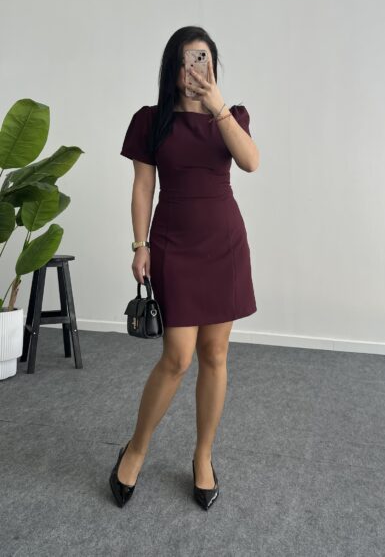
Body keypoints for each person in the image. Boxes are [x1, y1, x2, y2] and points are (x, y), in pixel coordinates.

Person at [110, 26, 259, 510]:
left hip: (224, 245)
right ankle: (136, 448)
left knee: (215, 354)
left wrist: (217, 107)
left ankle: (203, 455)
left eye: (203, 60)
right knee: (176, 357)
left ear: (213, 66)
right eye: (186, 60)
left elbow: (251, 162)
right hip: (173, 242)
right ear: (171, 68)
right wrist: (140, 245)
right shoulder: (150, 120)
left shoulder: (231, 115)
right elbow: (143, 187)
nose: (194, 69)